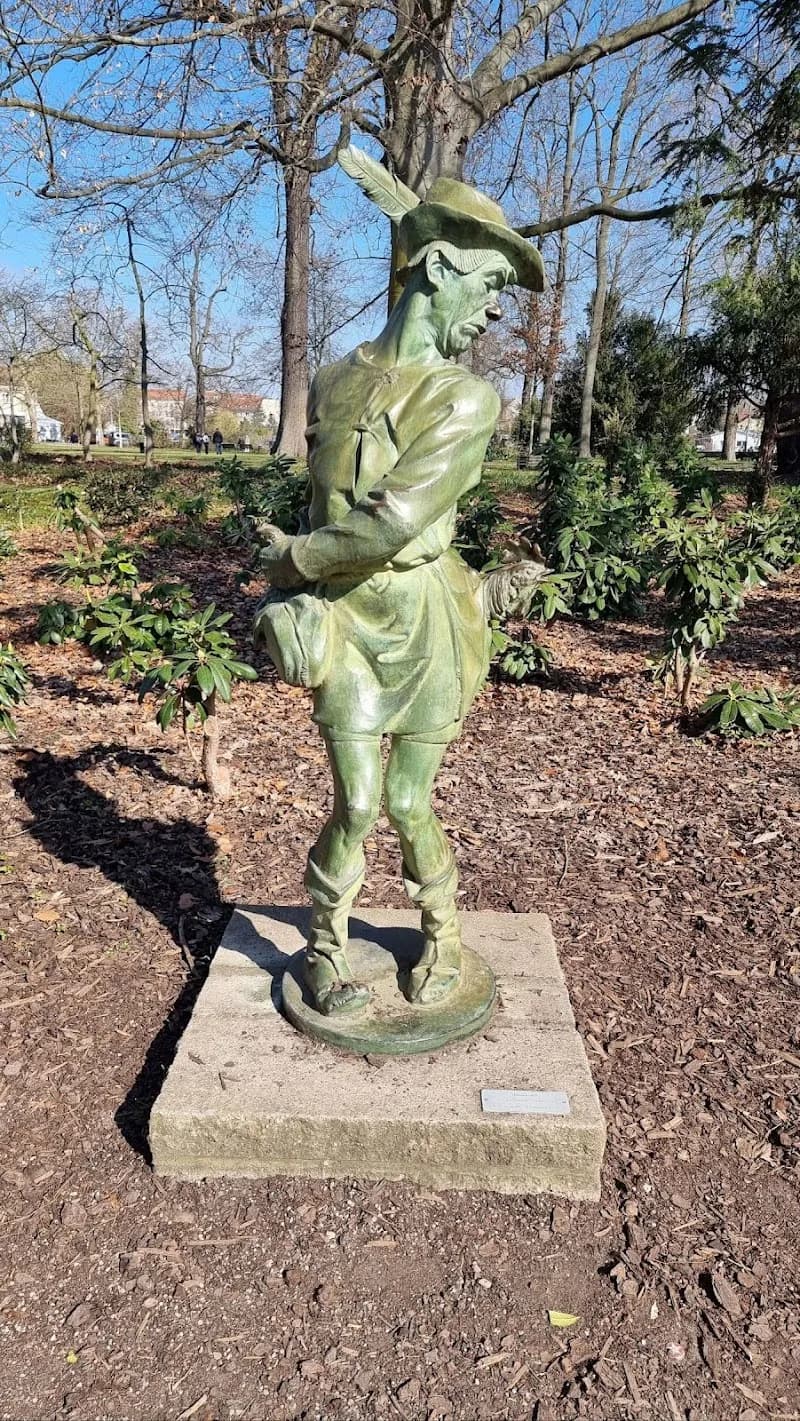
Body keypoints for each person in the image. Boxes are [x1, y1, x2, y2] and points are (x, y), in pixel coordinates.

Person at [259, 171, 544, 1016]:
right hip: (347, 617)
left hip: (423, 621)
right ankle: (324, 947)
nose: (496, 310)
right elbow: (326, 501)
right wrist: (303, 566)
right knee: (354, 798)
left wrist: (292, 562)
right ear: (438, 267)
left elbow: (391, 522)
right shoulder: (334, 377)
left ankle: (442, 931)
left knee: (411, 798)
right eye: (490, 283)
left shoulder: (467, 398)